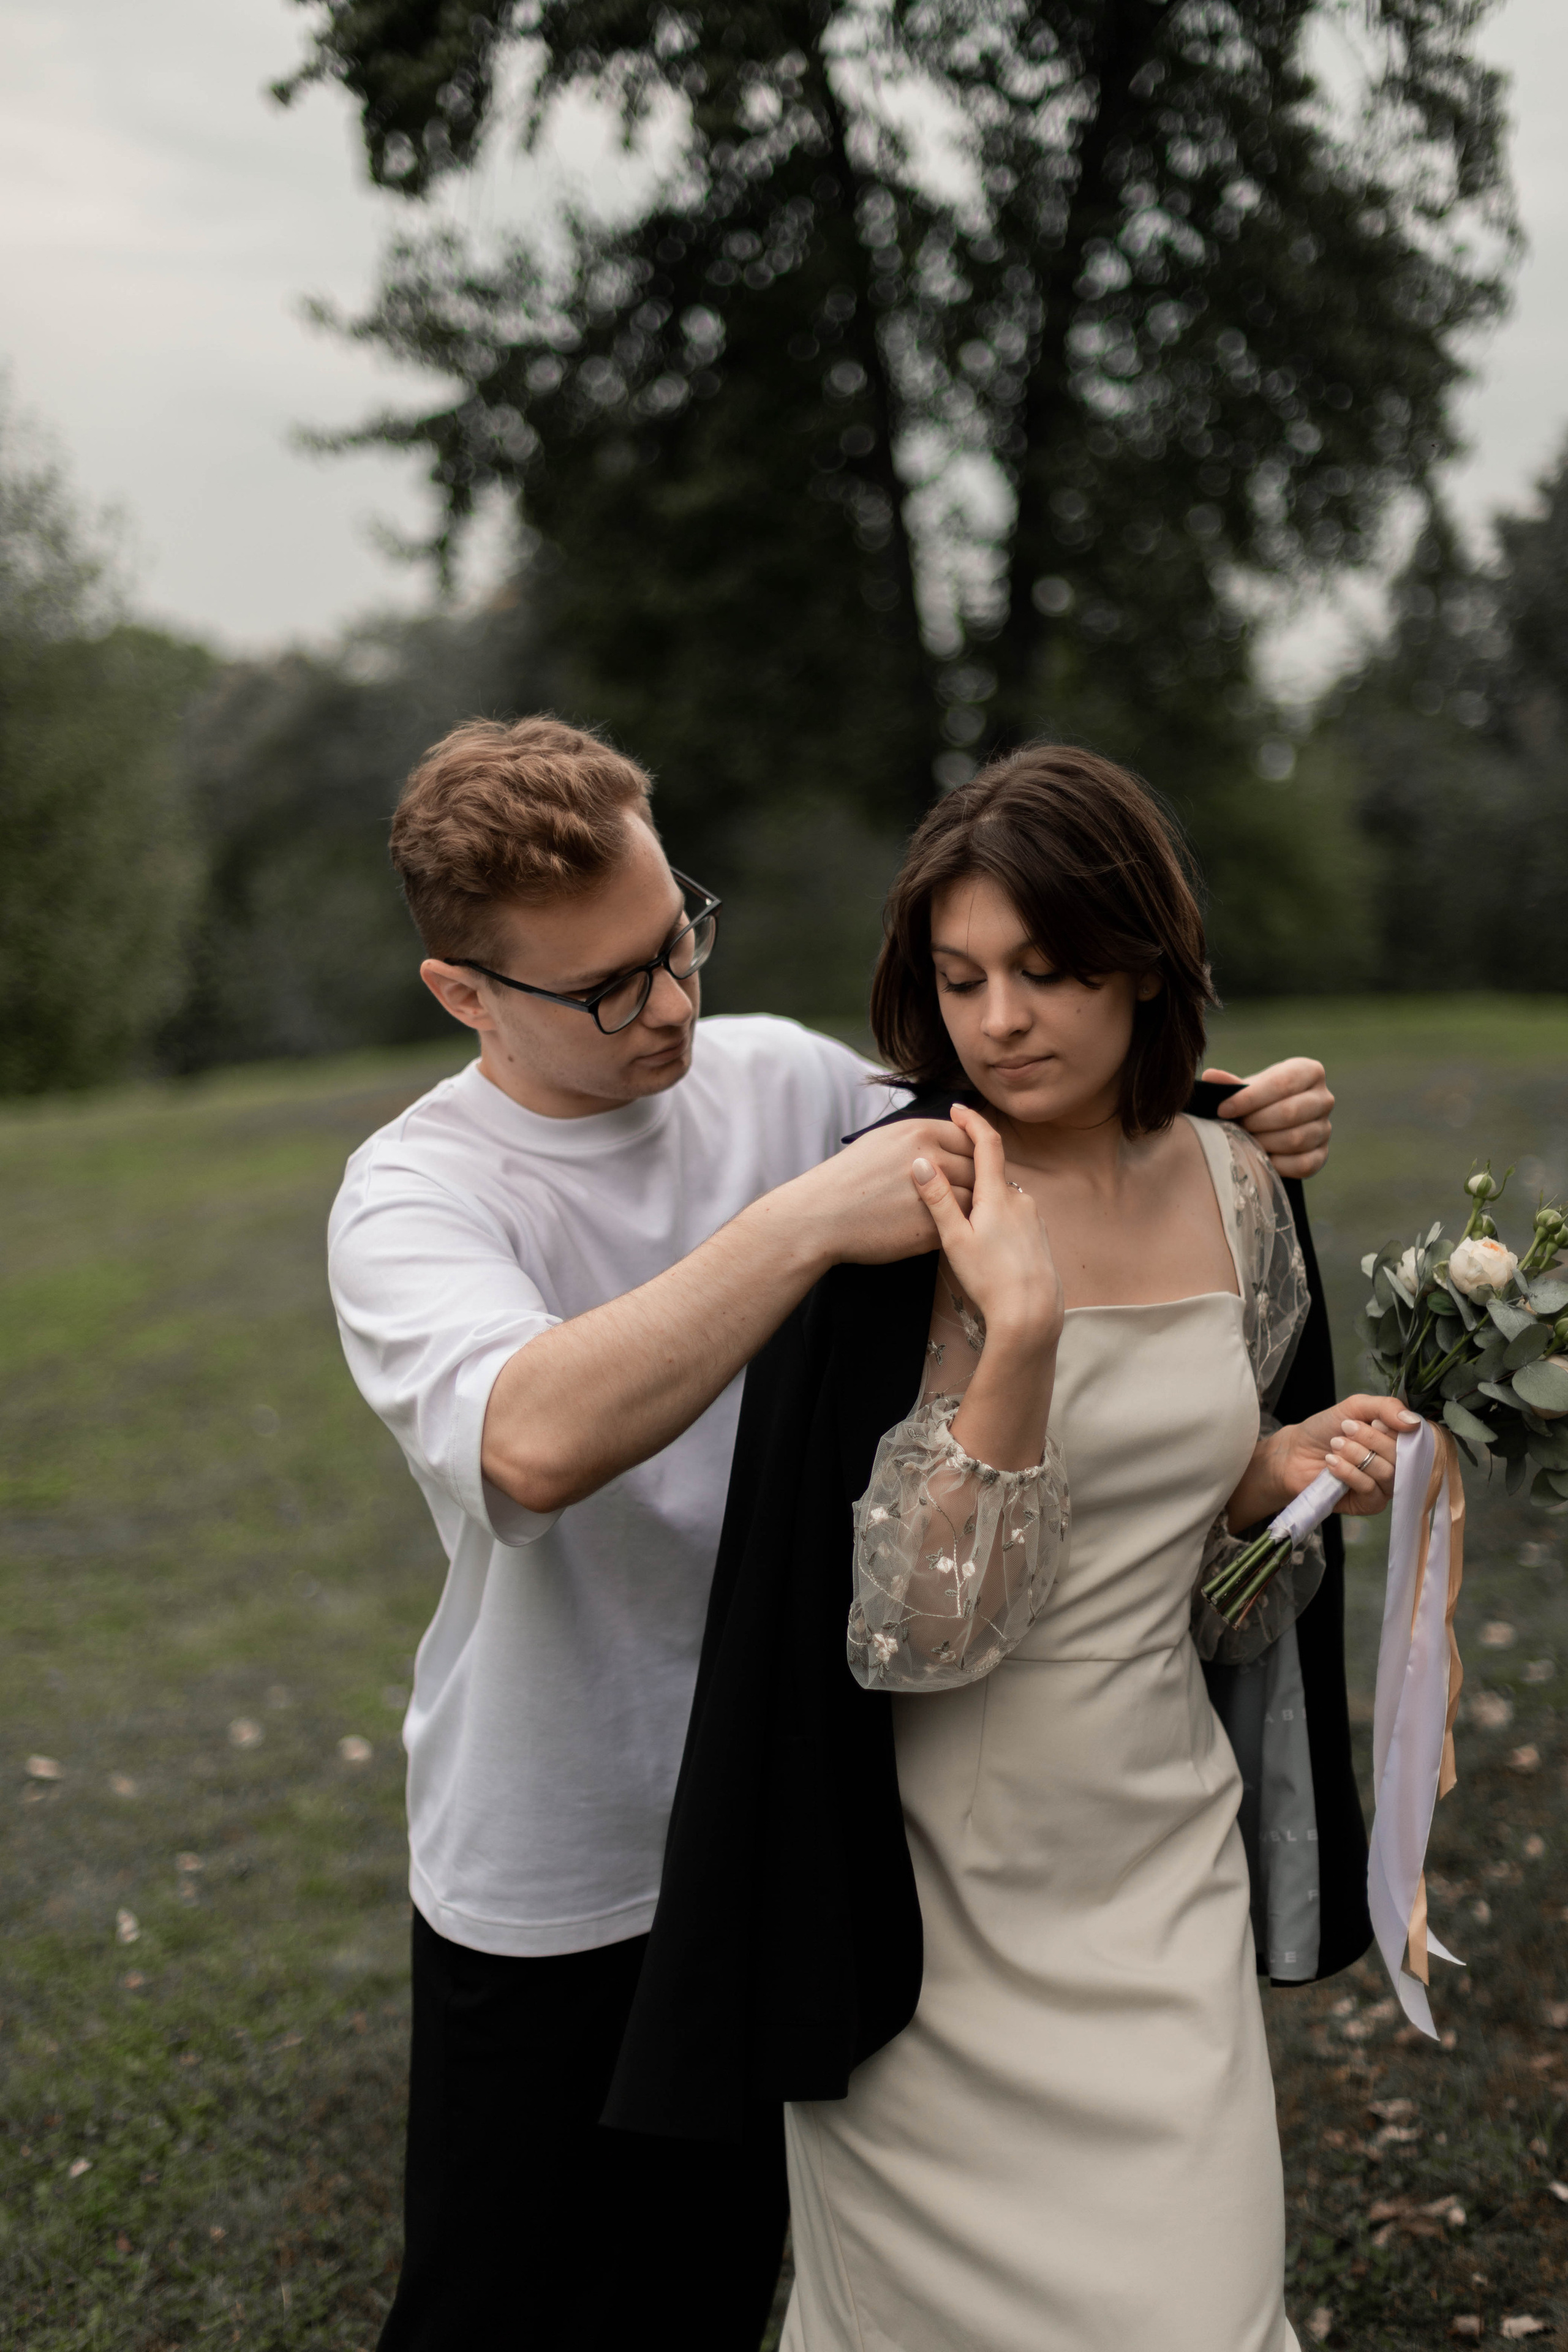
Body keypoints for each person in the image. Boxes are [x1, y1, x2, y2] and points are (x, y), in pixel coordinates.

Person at [326, 715, 1336, 2350]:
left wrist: (1228, 1107)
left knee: (731, 2285)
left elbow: (1035, 1103)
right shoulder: (415, 1195)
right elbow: (529, 1438)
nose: (667, 1006)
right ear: (463, 995)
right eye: (604, 989)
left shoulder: (783, 1078)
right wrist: (803, 1220)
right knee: (502, 2305)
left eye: (677, 943)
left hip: (811, 1810)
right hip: (573, 1844)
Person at [605, 744, 1403, 2352]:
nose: (1002, 1021)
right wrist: (1018, 1338)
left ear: (1144, 963)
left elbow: (1194, 1581)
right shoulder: (908, 1214)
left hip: (1159, 1854)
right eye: (962, 979)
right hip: (930, 1915)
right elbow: (915, 1637)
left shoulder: (1243, 1186)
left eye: (1047, 971)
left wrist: (1272, 1482)